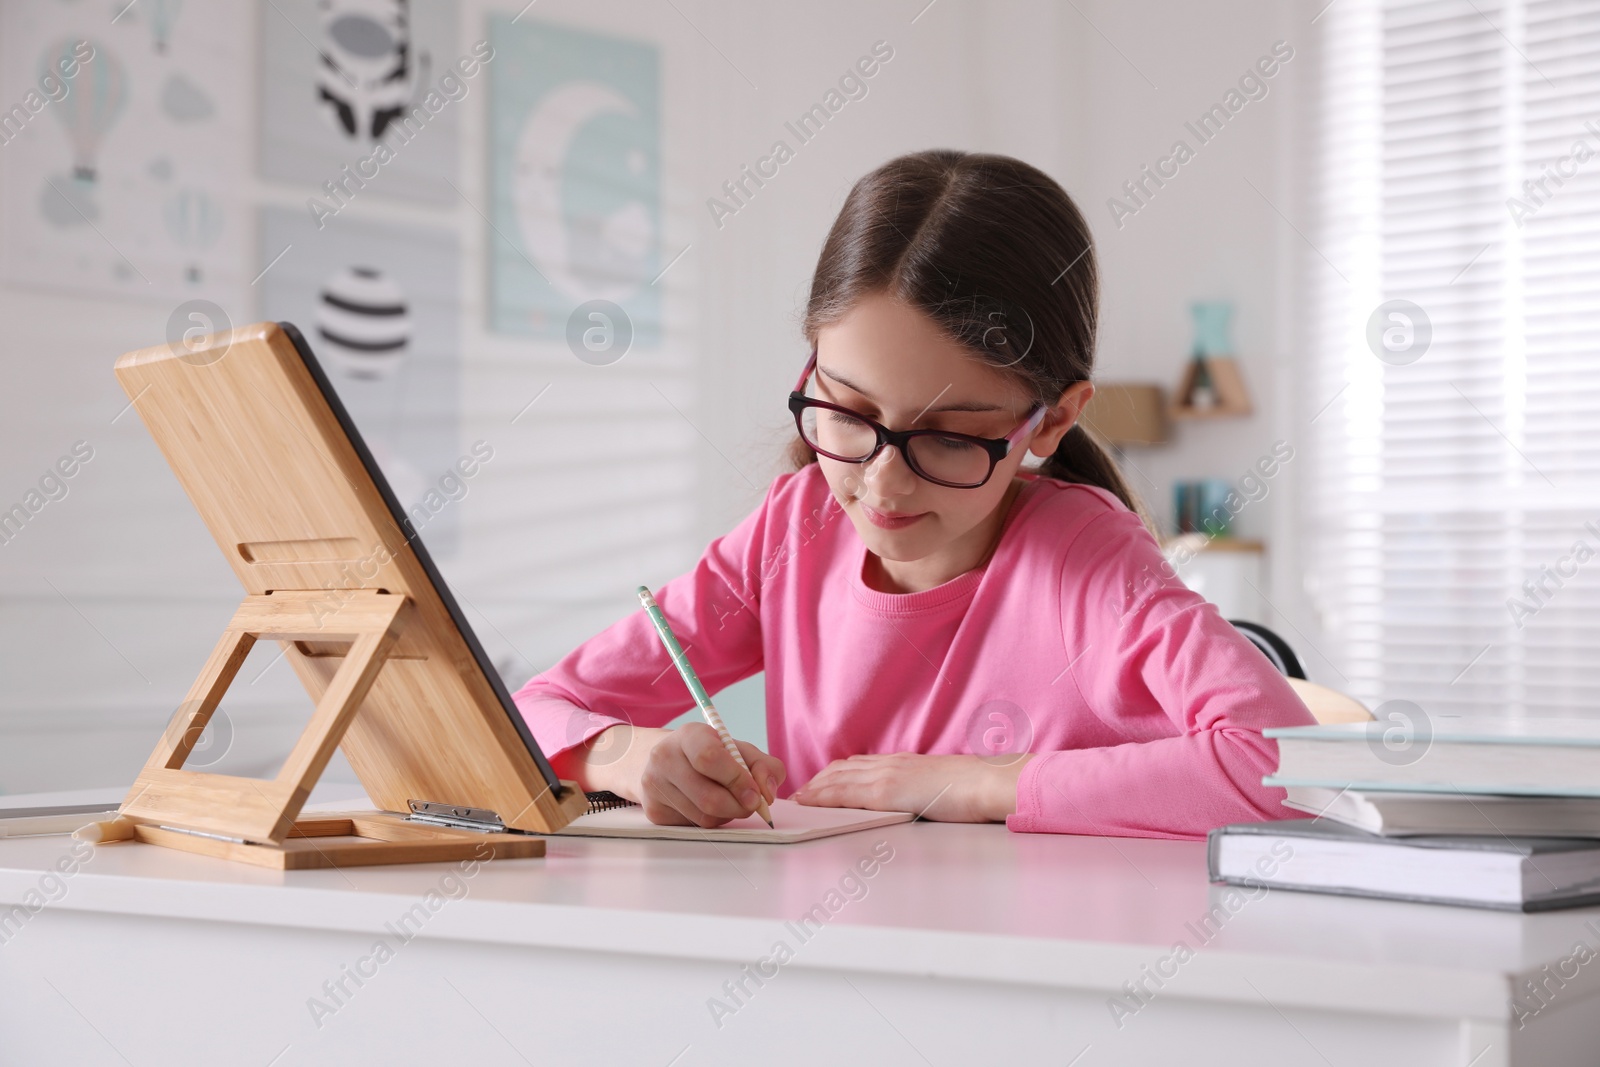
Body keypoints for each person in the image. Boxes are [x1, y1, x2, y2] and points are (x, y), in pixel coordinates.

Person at [513, 149, 1315, 839]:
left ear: (1053, 420)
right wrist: (630, 756)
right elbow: (536, 705)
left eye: (949, 437)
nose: (882, 482)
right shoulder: (793, 528)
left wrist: (978, 782)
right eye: (850, 412)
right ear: (809, 370)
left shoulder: (1085, 561)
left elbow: (1286, 766)